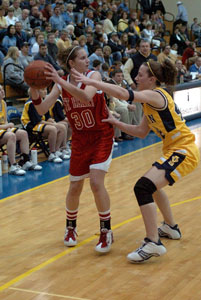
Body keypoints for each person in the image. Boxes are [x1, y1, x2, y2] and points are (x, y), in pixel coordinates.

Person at [72, 59, 200, 263]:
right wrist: (117, 123)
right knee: (152, 187)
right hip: (174, 149)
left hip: (184, 150)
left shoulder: (155, 95)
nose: (136, 78)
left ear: (152, 79)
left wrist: (95, 83)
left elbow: (123, 94)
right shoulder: (150, 102)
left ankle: (153, 242)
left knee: (143, 187)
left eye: (140, 75)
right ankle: (170, 227)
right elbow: (141, 132)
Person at [30, 46, 114, 253]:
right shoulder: (62, 83)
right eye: (83, 58)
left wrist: (59, 82)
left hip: (101, 135)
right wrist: (33, 88)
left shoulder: (93, 75)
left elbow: (86, 96)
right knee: (75, 186)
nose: (87, 60)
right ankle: (70, 228)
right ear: (71, 62)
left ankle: (106, 231)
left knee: (95, 182)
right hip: (79, 139)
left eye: (87, 57)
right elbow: (41, 109)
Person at [0, 85, 42, 175]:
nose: (3, 92)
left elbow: (5, 121)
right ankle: (13, 165)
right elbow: (5, 124)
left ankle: (25, 161)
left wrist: (7, 127)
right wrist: (6, 127)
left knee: (23, 133)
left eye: (3, 90)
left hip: (2, 130)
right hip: (1, 129)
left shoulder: (3, 103)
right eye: (0, 90)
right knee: (11, 136)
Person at [21, 88, 70, 163]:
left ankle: (58, 150)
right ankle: (52, 153)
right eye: (43, 89)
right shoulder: (30, 103)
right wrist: (53, 124)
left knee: (62, 126)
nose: (45, 91)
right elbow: (38, 121)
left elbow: (48, 117)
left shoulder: (43, 101)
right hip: (31, 126)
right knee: (53, 129)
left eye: (46, 89)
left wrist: (53, 122)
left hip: (40, 123)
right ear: (36, 92)